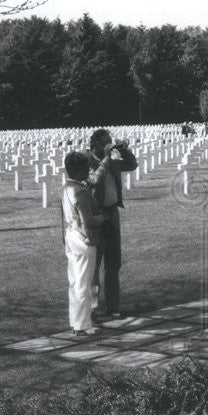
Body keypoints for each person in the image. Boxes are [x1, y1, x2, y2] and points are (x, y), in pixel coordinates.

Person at [83, 128, 137, 318]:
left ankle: (113, 307)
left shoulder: (114, 159)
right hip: (96, 215)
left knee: (113, 263)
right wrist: (106, 157)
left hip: (112, 212)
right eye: (107, 141)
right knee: (94, 264)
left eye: (111, 141)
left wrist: (123, 149)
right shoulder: (87, 160)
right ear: (96, 144)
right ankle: (94, 308)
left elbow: (132, 165)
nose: (110, 144)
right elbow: (94, 181)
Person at [61, 151, 105, 336]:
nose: (88, 170)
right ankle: (83, 325)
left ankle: (76, 321)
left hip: (71, 236)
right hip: (83, 239)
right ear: (78, 170)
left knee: (75, 281)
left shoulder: (66, 187)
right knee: (83, 283)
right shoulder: (80, 191)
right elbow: (88, 221)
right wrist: (103, 217)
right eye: (85, 167)